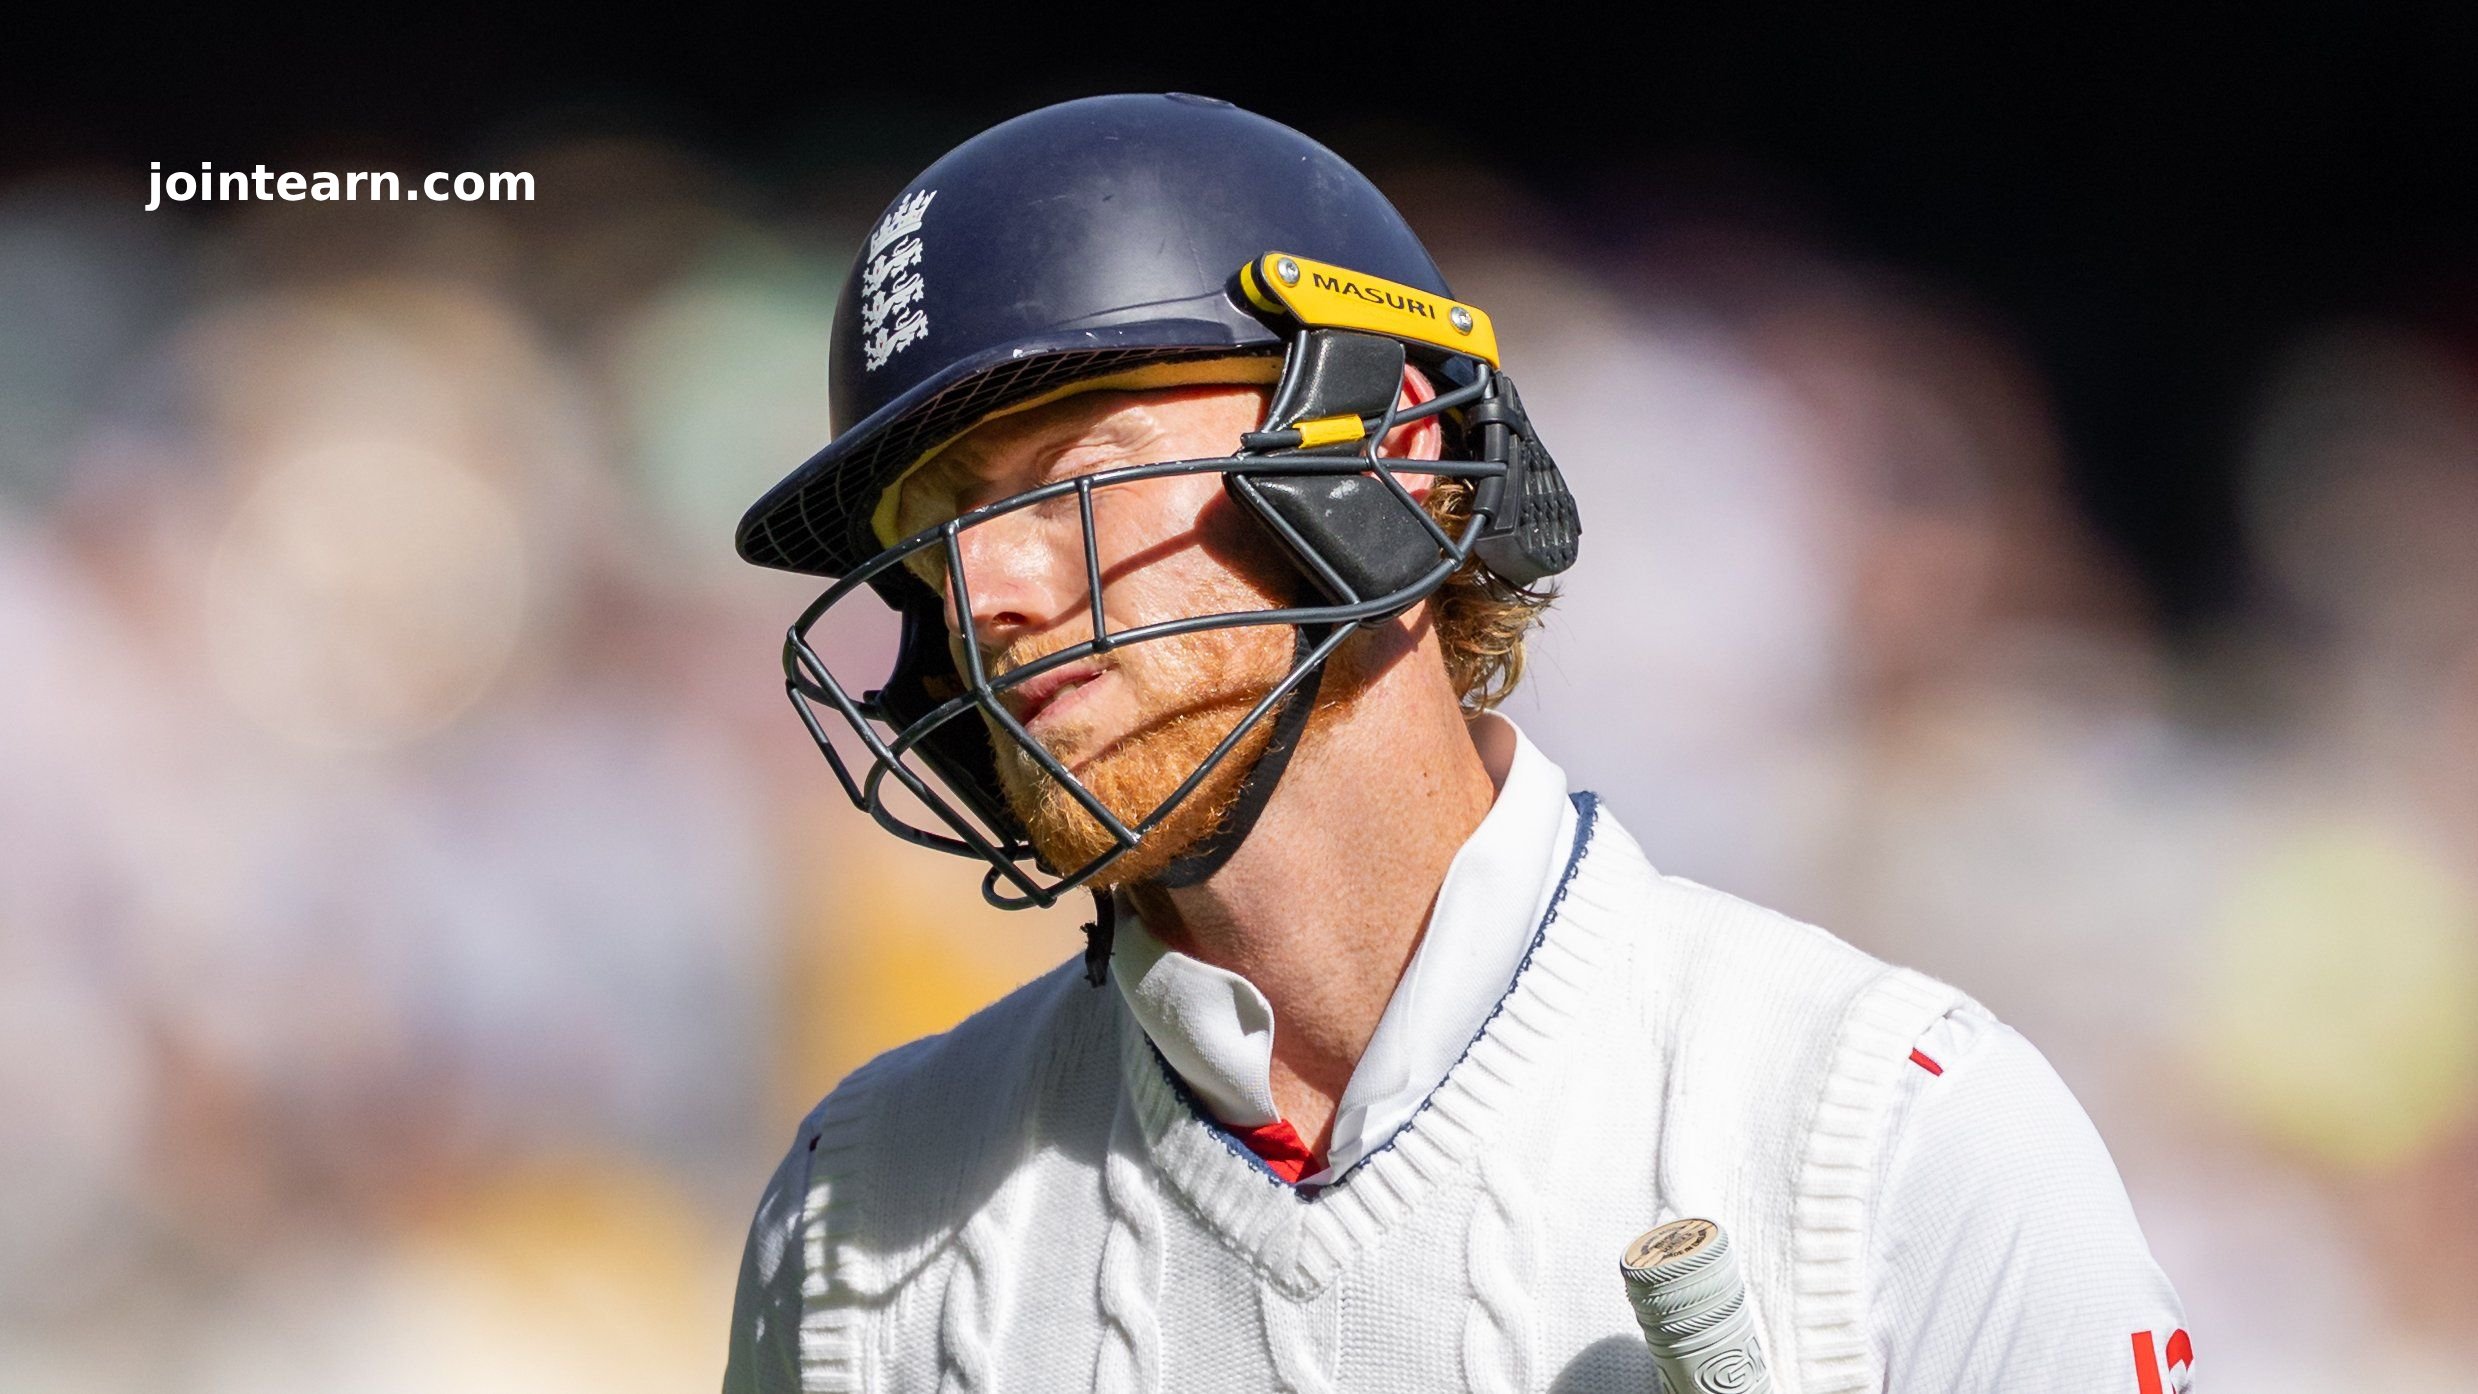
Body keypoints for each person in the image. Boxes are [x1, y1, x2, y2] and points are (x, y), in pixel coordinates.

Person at [722, 93, 2192, 1394]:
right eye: (935, 539)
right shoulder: (854, 1216)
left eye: (1070, 480)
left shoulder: (1881, 1121)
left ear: (1387, 449)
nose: (987, 596)